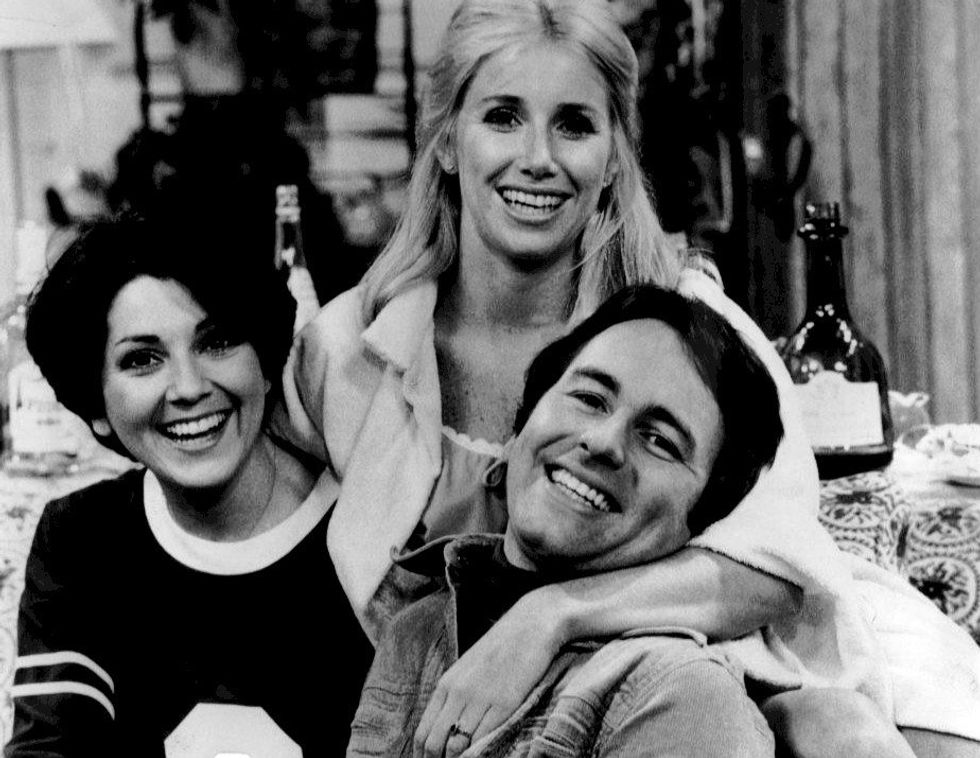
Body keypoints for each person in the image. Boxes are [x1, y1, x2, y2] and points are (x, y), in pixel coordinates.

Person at [277, 0, 980, 756]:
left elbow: (777, 568)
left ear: (615, 156)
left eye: (574, 125)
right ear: (447, 140)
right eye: (503, 118)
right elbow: (258, 523)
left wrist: (552, 617)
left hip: (691, 688)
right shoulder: (348, 352)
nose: (538, 158)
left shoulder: (695, 331)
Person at [347, 284, 783, 757]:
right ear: (521, 426)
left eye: (660, 441)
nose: (603, 441)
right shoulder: (416, 626)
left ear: (699, 520)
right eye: (590, 399)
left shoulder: (682, 696)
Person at [5, 216, 373, 757]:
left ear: (265, 363)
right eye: (142, 359)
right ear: (95, 405)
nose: (188, 387)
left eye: (217, 342)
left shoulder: (370, 532)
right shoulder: (82, 539)